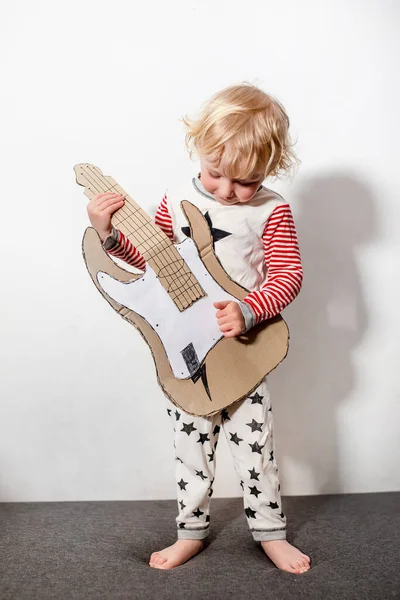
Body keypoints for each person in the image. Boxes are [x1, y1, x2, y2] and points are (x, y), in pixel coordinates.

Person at [86, 83, 310, 574]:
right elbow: (151, 263)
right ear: (198, 149)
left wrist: (251, 309)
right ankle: (190, 530)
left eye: (246, 181)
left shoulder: (271, 210)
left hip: (242, 353)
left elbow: (288, 274)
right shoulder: (173, 200)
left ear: (272, 167)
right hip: (187, 355)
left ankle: (270, 533)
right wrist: (108, 233)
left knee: (257, 449)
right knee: (190, 446)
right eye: (215, 174)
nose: (227, 191)